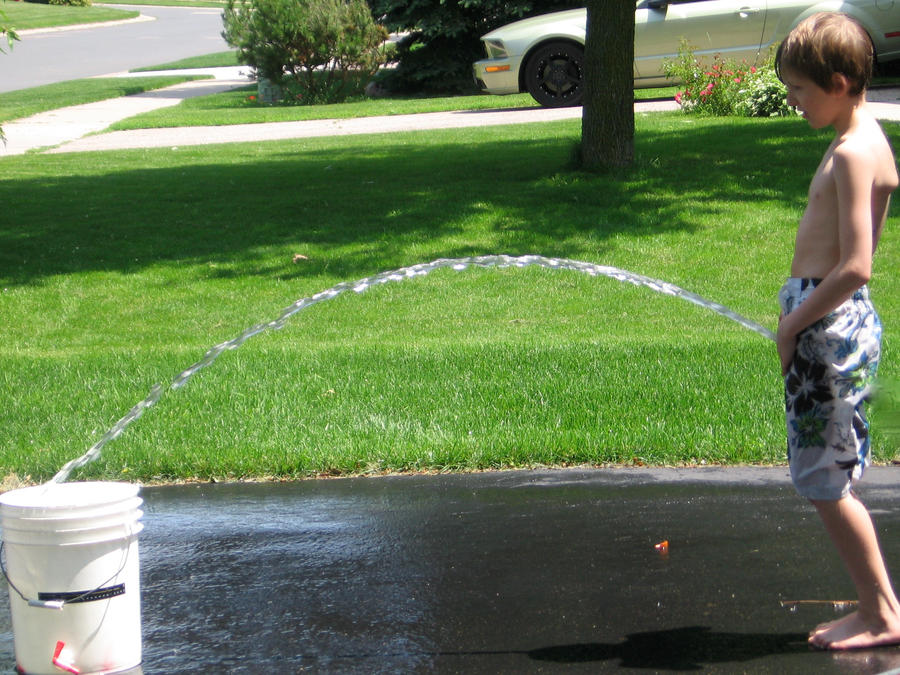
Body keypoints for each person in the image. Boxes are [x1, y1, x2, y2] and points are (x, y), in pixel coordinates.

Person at [775, 12, 900, 650]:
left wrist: (794, 323)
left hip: (825, 328)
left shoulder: (854, 151)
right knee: (828, 474)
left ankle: (882, 614)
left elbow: (855, 265)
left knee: (825, 480)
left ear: (840, 79)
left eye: (800, 89)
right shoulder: (862, 135)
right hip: (828, 325)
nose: (793, 100)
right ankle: (878, 608)